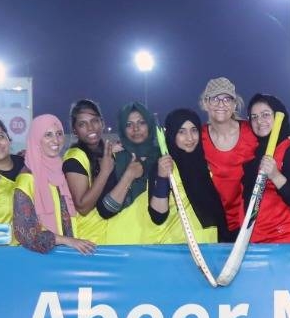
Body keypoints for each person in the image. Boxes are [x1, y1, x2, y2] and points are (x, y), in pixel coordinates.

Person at [13, 114, 96, 254]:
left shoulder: (61, 172)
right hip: (40, 260)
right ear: (36, 139)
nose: (56, 140)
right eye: (48, 135)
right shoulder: (27, 179)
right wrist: (66, 240)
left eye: (59, 134)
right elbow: (25, 233)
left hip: (68, 256)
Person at [240, 93, 290, 243]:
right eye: (253, 117)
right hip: (257, 239)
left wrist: (275, 175)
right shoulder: (253, 151)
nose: (259, 121)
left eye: (265, 114)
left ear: (279, 117)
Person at [98, 103, 169, 244]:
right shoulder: (114, 159)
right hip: (122, 245)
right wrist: (129, 175)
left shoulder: (164, 158)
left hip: (159, 243)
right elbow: (106, 211)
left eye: (141, 122)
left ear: (149, 125)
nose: (136, 129)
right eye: (129, 124)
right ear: (123, 130)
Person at [199, 77, 258, 241]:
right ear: (205, 103)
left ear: (234, 104)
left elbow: (278, 142)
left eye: (227, 99)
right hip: (213, 222)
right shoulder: (198, 136)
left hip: (249, 220)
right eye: (214, 99)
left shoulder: (250, 131)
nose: (221, 104)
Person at [159, 107, 228, 244]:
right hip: (178, 246)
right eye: (181, 132)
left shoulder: (206, 162)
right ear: (172, 134)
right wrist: (161, 178)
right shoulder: (164, 165)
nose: (190, 138)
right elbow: (158, 216)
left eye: (194, 130)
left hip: (211, 244)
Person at [62, 99, 112, 245]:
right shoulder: (74, 158)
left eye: (94, 121)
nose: (90, 128)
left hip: (110, 237)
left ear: (102, 123)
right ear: (75, 130)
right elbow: (83, 207)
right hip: (87, 242)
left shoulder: (105, 153)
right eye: (82, 124)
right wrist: (104, 172)